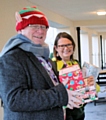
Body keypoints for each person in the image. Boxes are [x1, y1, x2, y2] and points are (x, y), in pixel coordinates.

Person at [0, 6, 83, 120]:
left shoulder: (43, 56)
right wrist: (61, 95)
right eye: (34, 26)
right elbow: (14, 99)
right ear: (20, 29)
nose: (40, 31)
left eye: (44, 27)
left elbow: (51, 87)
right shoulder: (11, 58)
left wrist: (71, 94)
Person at [51, 32, 95, 120]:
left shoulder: (76, 63)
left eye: (69, 45)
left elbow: (83, 85)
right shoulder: (52, 65)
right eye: (62, 46)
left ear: (73, 46)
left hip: (78, 109)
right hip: (62, 110)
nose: (66, 48)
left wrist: (90, 83)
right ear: (56, 48)